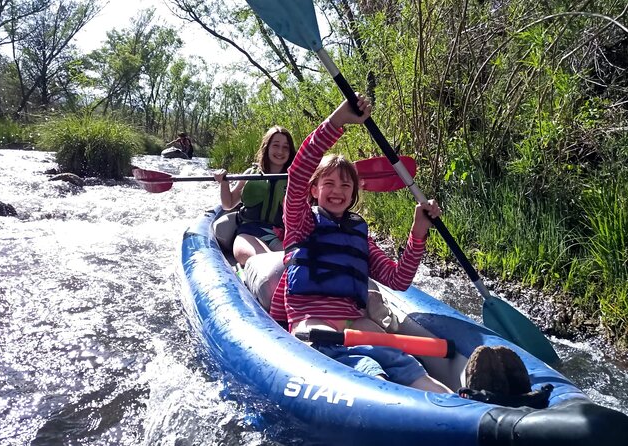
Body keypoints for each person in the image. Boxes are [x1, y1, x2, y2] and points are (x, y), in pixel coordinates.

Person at [269, 95, 533, 396]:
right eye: (329, 184)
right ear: (314, 190)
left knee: (407, 367)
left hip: (357, 321)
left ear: (354, 192)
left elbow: (399, 279)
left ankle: (467, 403)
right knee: (367, 369)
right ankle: (394, 401)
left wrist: (418, 231)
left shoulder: (360, 236)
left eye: (345, 185)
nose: (337, 192)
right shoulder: (301, 222)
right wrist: (337, 121)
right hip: (313, 322)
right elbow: (299, 169)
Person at [213, 126, 296, 266]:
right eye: (275, 145)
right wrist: (223, 182)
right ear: (267, 147)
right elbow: (228, 204)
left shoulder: (294, 179)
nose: (280, 151)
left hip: (278, 234)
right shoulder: (251, 173)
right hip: (248, 231)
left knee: (290, 263)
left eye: (285, 147)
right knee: (265, 262)